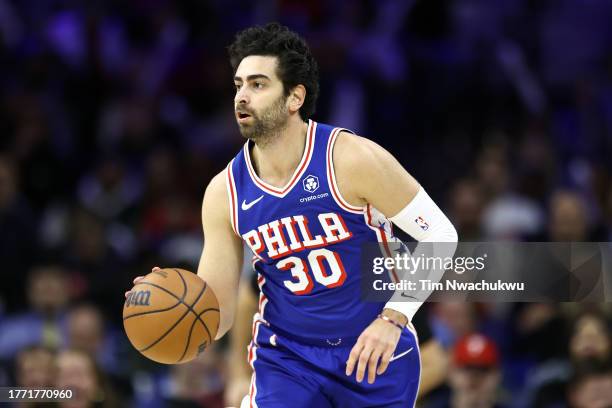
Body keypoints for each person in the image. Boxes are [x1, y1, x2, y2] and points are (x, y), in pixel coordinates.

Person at [127, 22, 457, 407]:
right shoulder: (224, 192)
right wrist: (163, 299)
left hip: (373, 346)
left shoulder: (350, 158)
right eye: (238, 85)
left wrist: (394, 318)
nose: (242, 97)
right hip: (288, 358)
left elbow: (440, 235)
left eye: (258, 84)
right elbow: (218, 316)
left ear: (294, 97)